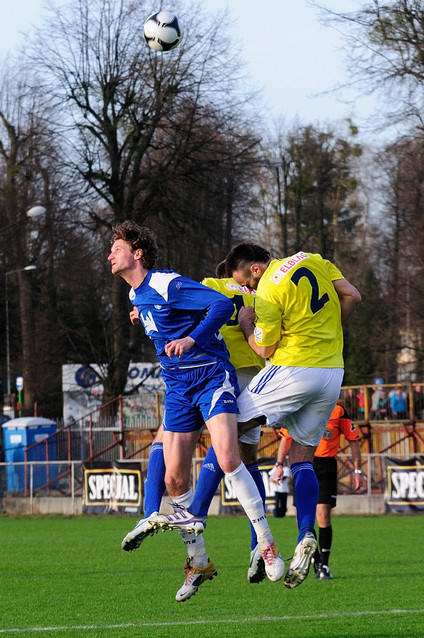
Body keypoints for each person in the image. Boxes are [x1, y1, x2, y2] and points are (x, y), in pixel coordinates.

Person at [108, 222, 284, 600]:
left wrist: (192, 338)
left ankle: (267, 543)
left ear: (137, 254)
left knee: (227, 455)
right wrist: (143, 314)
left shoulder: (166, 282)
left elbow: (219, 305)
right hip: (177, 390)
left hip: (210, 377)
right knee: (174, 481)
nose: (110, 254)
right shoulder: (139, 296)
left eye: (116, 248)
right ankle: (199, 560)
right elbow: (161, 317)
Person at [224, 243, 361, 589]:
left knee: (225, 426)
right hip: (331, 371)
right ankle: (305, 534)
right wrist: (328, 332)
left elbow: (264, 349)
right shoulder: (314, 259)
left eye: (248, 284)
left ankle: (194, 516)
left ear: (256, 269)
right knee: (302, 459)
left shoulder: (269, 287)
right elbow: (352, 297)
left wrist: (245, 324)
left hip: (293, 367)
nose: (250, 292)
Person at [275, 403, 363, 579]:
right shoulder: (299, 406)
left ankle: (324, 564)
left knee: (323, 515)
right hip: (302, 463)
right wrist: (279, 465)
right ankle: (315, 561)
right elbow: (286, 438)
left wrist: (357, 471)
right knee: (301, 517)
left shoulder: (338, 410)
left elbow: (353, 440)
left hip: (325, 467)